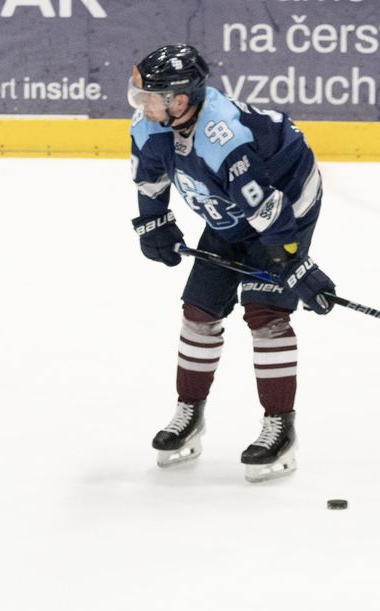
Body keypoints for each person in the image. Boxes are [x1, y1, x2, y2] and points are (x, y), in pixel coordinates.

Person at [127, 42, 335, 481]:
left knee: (265, 312)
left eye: (153, 97)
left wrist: (293, 262)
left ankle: (280, 426)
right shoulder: (150, 124)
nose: (144, 104)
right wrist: (153, 222)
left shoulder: (224, 139)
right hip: (230, 211)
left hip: (285, 205)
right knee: (199, 310)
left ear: (180, 101)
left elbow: (267, 210)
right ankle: (190, 411)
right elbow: (149, 178)